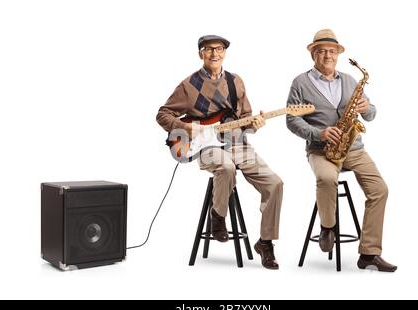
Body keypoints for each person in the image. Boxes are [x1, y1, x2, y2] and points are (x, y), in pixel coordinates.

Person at [156, 35, 283, 270]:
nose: (214, 53)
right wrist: (186, 127)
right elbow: (162, 115)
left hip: (237, 144)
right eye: (208, 49)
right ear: (200, 54)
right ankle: (218, 217)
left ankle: (265, 243)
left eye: (219, 49)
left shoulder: (236, 82)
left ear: (225, 52)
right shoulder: (188, 85)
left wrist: (252, 125)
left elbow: (244, 118)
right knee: (225, 167)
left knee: (275, 182)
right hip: (207, 147)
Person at [286, 29, 397, 272]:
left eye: (332, 51)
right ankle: (327, 227)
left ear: (337, 55)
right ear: (313, 54)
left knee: (380, 189)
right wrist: (319, 133)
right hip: (320, 149)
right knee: (326, 178)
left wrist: (367, 107)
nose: (328, 55)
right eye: (322, 51)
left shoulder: (349, 80)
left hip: (353, 149)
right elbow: (292, 121)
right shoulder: (300, 83)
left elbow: (372, 114)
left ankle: (369, 253)